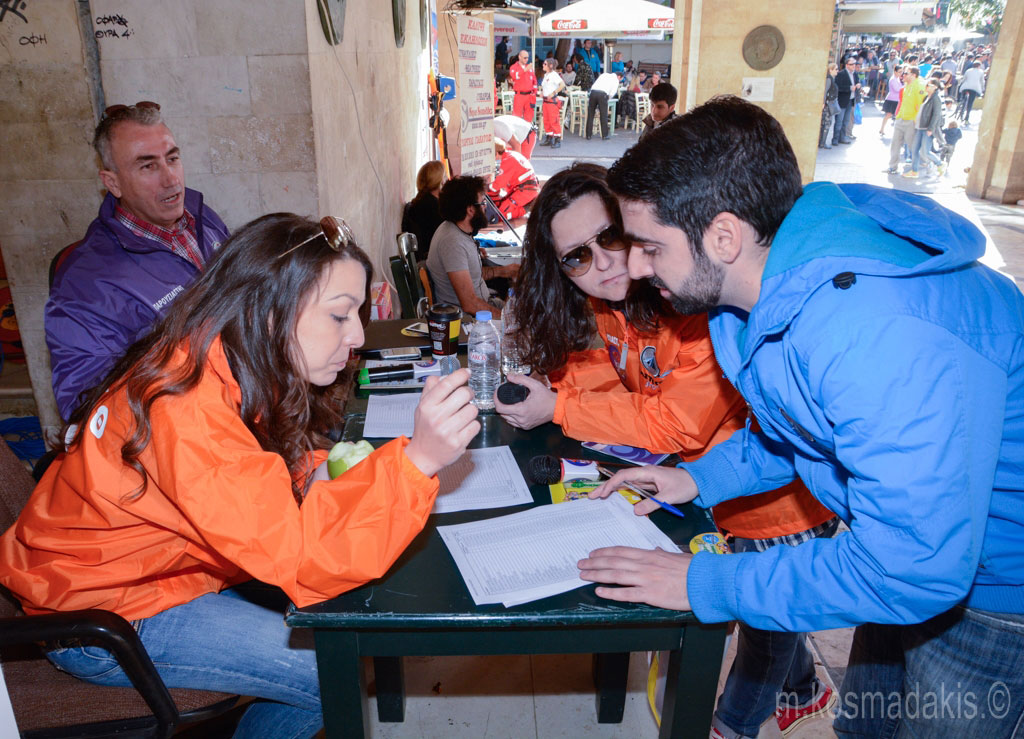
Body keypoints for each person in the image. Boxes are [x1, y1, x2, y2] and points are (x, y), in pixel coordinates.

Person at [580, 95, 1024, 738]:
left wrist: (711, 583)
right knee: (865, 729)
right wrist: (698, 478)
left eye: (650, 247)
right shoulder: (762, 292)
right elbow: (800, 429)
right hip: (912, 550)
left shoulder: (875, 333)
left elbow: (909, 568)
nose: (637, 268)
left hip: (994, 590)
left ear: (724, 236)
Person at [0, 213, 481, 738]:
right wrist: (417, 463)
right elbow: (304, 563)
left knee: (338, 632)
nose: (358, 336)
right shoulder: (186, 411)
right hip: (105, 613)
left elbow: (257, 474)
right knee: (331, 674)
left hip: (145, 574)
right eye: (339, 315)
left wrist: (331, 473)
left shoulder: (221, 353)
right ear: (270, 312)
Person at [497, 163, 838, 739]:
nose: (603, 262)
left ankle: (733, 725)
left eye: (610, 237)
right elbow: (612, 378)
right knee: (774, 616)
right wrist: (557, 393)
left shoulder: (693, 300)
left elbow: (676, 423)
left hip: (777, 498)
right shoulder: (616, 302)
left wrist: (558, 408)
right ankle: (805, 688)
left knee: (763, 621)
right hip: (710, 486)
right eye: (577, 256)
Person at [46, 101, 230, 421]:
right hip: (187, 425)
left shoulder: (201, 217)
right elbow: (85, 406)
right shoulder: (86, 285)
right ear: (113, 183)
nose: (171, 180)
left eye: (172, 158)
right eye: (148, 167)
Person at [426, 175, 517, 317]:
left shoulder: (457, 230)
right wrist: (505, 319)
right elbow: (470, 304)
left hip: (484, 304)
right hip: (471, 318)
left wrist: (505, 271)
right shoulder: (453, 243)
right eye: (483, 203)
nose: (485, 207)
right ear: (470, 210)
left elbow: (472, 276)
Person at [401, 160, 445, 261]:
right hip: (432, 260)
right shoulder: (434, 206)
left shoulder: (421, 201)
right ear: (440, 181)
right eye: (445, 177)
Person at [886, 65, 924, 175]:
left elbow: (920, 106)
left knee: (913, 147)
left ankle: (924, 165)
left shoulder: (919, 87)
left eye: (906, 73)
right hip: (901, 119)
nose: (903, 75)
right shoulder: (906, 86)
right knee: (895, 144)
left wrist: (916, 121)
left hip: (911, 121)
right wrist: (898, 115)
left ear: (913, 75)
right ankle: (892, 167)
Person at [488, 138, 540, 219]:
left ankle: (526, 208)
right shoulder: (511, 155)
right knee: (500, 205)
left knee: (501, 214)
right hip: (523, 189)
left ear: (496, 153)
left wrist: (488, 187)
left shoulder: (508, 160)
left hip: (525, 192)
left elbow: (498, 184)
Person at [905, 78, 945, 179]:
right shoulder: (927, 97)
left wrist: (930, 128)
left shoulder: (936, 98)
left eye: (929, 85)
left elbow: (936, 114)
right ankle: (914, 171)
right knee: (914, 150)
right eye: (927, 85)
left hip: (926, 128)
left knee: (926, 151)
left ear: (935, 87)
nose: (927, 87)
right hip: (920, 127)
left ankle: (939, 164)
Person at [540, 57, 567, 149]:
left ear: (550, 65)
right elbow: (545, 87)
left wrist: (553, 93)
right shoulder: (546, 75)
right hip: (546, 101)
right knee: (547, 120)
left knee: (554, 121)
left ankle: (557, 139)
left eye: (545, 64)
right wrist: (542, 92)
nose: (543, 65)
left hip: (552, 101)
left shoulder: (554, 75)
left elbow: (562, 85)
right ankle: (549, 137)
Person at [832, 55, 860, 145]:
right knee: (839, 121)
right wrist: (849, 88)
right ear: (847, 65)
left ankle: (842, 137)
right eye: (852, 64)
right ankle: (835, 139)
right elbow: (838, 87)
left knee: (846, 122)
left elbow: (857, 82)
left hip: (851, 100)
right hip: (842, 101)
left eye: (854, 64)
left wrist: (858, 85)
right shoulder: (841, 74)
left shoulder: (855, 74)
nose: (854, 66)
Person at [586, 70, 620, 140]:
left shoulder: (603, 75)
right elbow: (612, 92)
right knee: (603, 115)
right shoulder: (615, 80)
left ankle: (588, 135)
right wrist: (608, 97)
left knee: (590, 114)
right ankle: (604, 135)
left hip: (593, 92)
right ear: (619, 77)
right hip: (602, 94)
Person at [508, 49, 537, 123]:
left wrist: (534, 92)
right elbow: (514, 76)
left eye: (527, 58)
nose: (526, 59)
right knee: (517, 117)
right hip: (519, 95)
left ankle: (528, 130)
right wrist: (525, 70)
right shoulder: (514, 67)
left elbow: (534, 81)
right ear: (519, 57)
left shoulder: (529, 68)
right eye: (525, 58)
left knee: (529, 117)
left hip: (529, 96)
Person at [958, 61, 986, 126]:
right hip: (975, 88)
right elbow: (982, 82)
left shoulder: (968, 71)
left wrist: (961, 84)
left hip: (966, 87)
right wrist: (983, 89)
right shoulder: (981, 72)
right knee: (970, 103)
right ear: (979, 66)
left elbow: (964, 79)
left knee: (962, 93)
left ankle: (960, 101)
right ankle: (967, 118)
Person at [878, 63, 902, 137]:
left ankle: (882, 129)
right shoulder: (893, 79)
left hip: (895, 99)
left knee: (891, 115)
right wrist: (904, 87)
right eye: (899, 72)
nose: (901, 73)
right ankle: (882, 129)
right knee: (889, 115)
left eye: (901, 72)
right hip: (892, 99)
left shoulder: (897, 78)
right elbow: (897, 89)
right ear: (895, 72)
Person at [821, 62, 840, 149]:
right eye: (836, 69)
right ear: (830, 70)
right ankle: (822, 143)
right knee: (827, 123)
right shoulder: (829, 79)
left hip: (829, 104)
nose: (837, 71)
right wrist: (823, 103)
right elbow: (825, 92)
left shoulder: (831, 79)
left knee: (826, 123)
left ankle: (822, 142)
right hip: (828, 105)